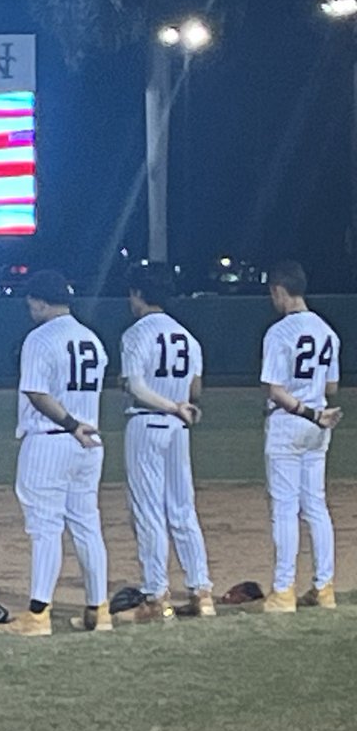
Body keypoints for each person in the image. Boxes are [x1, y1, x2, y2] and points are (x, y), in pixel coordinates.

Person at [0, 270, 112, 637]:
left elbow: (36, 393)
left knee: (45, 528)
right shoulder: (92, 339)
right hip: (89, 444)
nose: (30, 310)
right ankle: (99, 611)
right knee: (87, 525)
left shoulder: (40, 338)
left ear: (40, 302)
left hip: (51, 440)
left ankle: (38, 615)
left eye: (32, 303)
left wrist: (70, 423)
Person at [119, 262, 214, 621]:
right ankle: (201, 592)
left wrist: (168, 403)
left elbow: (137, 387)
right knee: (182, 509)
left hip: (147, 423)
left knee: (148, 511)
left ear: (138, 294)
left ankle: (156, 596)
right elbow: (195, 389)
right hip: (178, 428)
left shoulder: (135, 334)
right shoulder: (187, 337)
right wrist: (178, 403)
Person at [260, 260, 343, 612]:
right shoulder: (327, 331)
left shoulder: (279, 332)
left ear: (280, 290)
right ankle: (324, 588)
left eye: (273, 293)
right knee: (316, 506)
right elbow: (331, 386)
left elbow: (275, 390)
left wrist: (303, 409)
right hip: (319, 424)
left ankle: (283, 591)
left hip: (289, 421)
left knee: (285, 508)